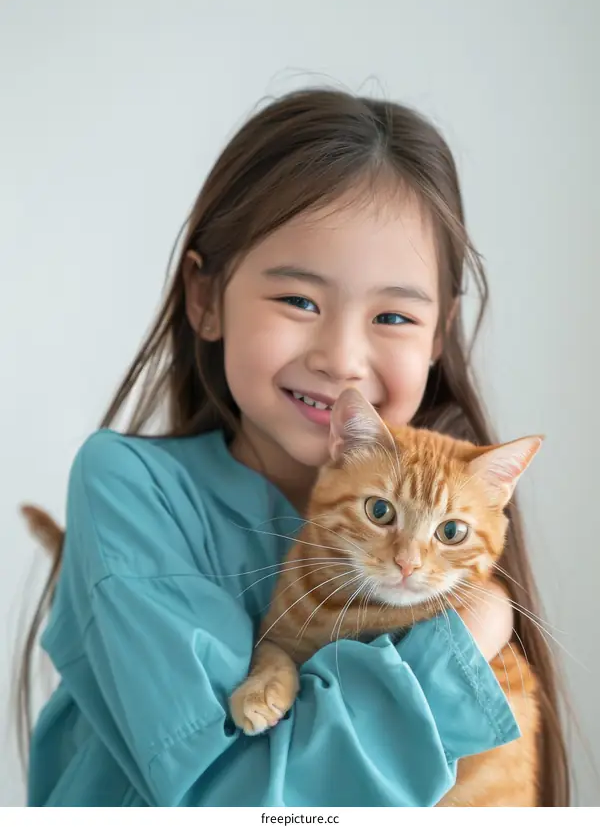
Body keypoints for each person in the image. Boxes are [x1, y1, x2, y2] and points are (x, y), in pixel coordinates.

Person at [20, 88, 568, 806]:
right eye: (299, 301)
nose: (341, 359)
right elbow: (230, 802)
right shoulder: (129, 484)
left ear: (439, 336)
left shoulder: (454, 519)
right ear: (204, 299)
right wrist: (461, 643)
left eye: (394, 316)